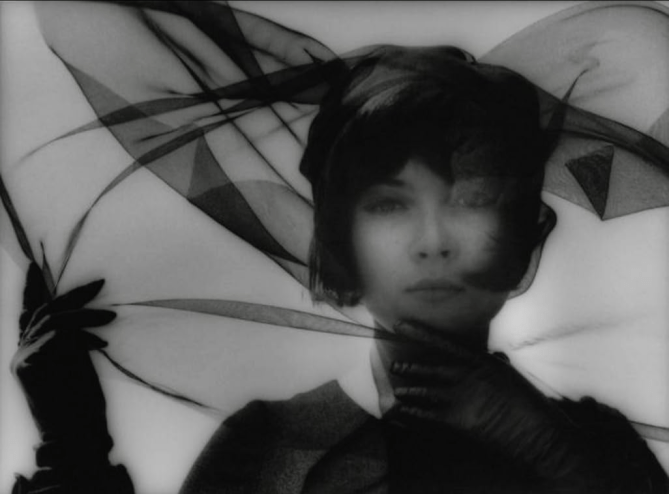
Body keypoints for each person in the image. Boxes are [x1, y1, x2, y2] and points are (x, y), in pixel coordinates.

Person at [11, 43, 669, 494]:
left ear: (526, 235)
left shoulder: (597, 450)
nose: (432, 241)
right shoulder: (262, 449)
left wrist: (554, 455)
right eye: (390, 204)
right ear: (336, 239)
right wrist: (72, 445)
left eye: (471, 200)